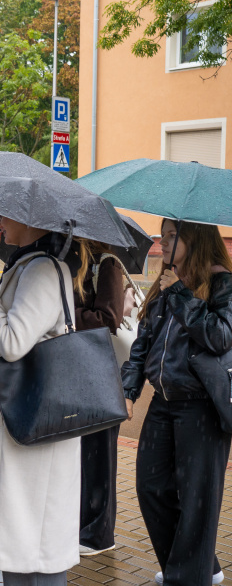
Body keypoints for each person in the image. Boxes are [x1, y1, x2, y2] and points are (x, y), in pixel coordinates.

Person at [0, 216, 84, 585]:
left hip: (27, 429)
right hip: (24, 426)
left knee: (33, 552)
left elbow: (13, 341)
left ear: (33, 221)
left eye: (7, 215)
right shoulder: (30, 265)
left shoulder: (43, 271)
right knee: (20, 549)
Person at [121, 220, 232, 586]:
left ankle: (188, 576)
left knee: (197, 500)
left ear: (195, 239)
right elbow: (144, 340)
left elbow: (219, 337)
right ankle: (197, 565)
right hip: (164, 402)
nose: (163, 243)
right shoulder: (166, 281)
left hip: (202, 405)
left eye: (172, 236)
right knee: (151, 486)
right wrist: (130, 388)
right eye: (163, 235)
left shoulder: (222, 283)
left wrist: (183, 294)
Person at [73, 241, 127, 557]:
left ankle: (99, 534)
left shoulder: (107, 263)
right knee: (84, 454)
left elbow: (108, 319)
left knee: (99, 456)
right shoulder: (74, 263)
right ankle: (83, 526)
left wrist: (68, 315)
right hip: (80, 370)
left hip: (101, 374)